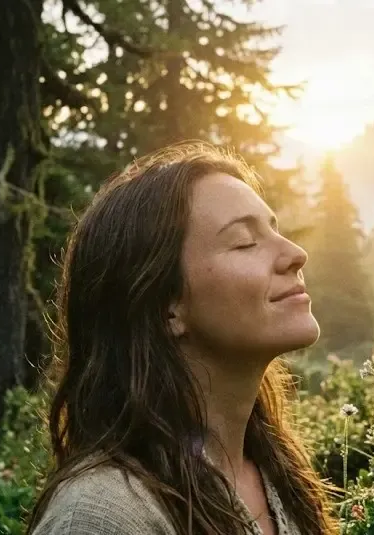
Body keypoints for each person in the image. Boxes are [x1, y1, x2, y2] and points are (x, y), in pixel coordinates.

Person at [26, 141, 339, 535]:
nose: (295, 254)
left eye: (276, 231)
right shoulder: (101, 515)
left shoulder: (276, 475)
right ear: (166, 306)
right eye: (245, 242)